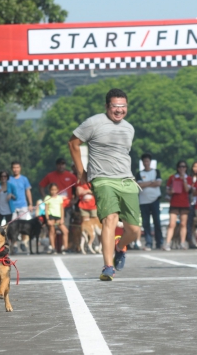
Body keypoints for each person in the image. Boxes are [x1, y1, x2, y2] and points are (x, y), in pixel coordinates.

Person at [69, 88, 141, 281]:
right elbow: (73, 144)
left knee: (134, 230)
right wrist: (80, 171)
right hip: (102, 179)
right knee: (110, 219)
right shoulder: (93, 122)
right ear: (107, 106)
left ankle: (119, 247)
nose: (119, 110)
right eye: (115, 106)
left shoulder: (129, 128)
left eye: (123, 106)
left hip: (126, 180)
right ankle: (108, 266)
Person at [39, 158, 77, 227]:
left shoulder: (71, 176)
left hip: (66, 206)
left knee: (64, 227)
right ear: (56, 165)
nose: (61, 166)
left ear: (65, 165)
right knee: (52, 228)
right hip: (53, 207)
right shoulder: (50, 176)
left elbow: (78, 187)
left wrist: (75, 199)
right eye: (59, 164)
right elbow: (41, 186)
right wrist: (45, 197)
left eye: (63, 164)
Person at [135, 153, 162, 250]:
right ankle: (148, 243)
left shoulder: (156, 171)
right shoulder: (139, 173)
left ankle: (159, 243)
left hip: (155, 200)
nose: (146, 163)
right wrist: (151, 182)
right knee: (146, 224)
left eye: (147, 161)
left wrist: (145, 183)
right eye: (144, 161)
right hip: (143, 201)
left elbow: (158, 183)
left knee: (157, 222)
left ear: (150, 162)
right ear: (142, 163)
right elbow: (139, 185)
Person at [164, 161, 193, 251]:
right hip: (174, 203)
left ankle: (182, 242)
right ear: (177, 168)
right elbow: (167, 190)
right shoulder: (172, 178)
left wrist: (184, 179)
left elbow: (187, 189)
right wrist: (170, 191)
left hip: (184, 203)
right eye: (180, 167)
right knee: (172, 224)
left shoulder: (188, 178)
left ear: (186, 168)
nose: (182, 168)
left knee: (183, 224)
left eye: (184, 167)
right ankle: (167, 243)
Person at [44, 183, 69, 253]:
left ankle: (65, 247)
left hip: (58, 217)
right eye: (52, 190)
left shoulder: (59, 198)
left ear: (57, 190)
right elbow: (46, 209)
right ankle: (53, 247)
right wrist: (47, 219)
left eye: (55, 190)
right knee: (52, 232)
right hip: (51, 216)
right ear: (49, 190)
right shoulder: (47, 198)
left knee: (65, 231)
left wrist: (62, 219)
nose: (54, 191)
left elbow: (62, 209)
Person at [186, 161, 197, 248]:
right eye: (194, 167)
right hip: (190, 202)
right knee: (190, 223)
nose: (196, 169)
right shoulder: (189, 178)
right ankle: (190, 241)